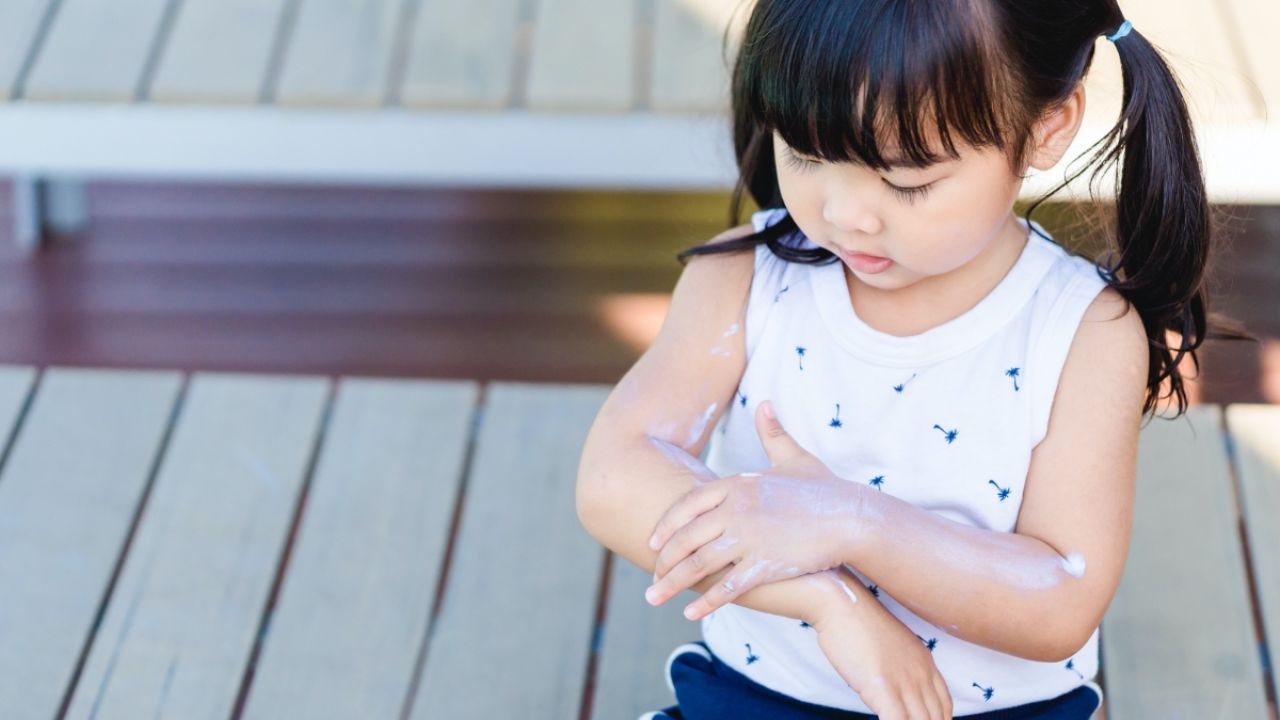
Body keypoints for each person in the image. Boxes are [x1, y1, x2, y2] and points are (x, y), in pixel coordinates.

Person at [575, 1, 1256, 718]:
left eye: (906, 182)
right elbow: (615, 475)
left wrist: (849, 520)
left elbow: (1060, 601)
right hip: (759, 697)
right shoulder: (744, 280)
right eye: (808, 153)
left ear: (1046, 128)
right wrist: (829, 599)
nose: (847, 213)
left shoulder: (1082, 330)